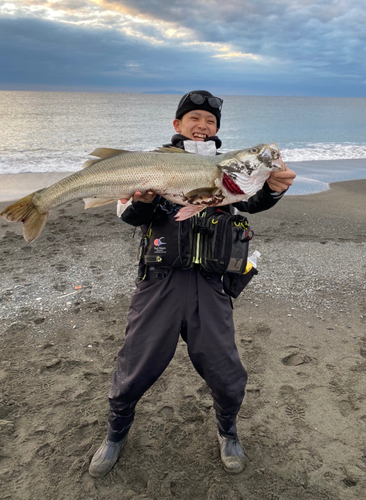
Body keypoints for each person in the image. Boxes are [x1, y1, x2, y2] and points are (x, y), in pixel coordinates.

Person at [89, 90, 296, 477]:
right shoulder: (152, 163)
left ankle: (228, 431)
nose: (202, 127)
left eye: (211, 122)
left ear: (218, 129)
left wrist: (273, 189)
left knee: (225, 370)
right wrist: (145, 200)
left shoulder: (230, 167)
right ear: (177, 125)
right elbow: (130, 216)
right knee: (136, 365)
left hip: (211, 286)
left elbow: (249, 201)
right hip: (159, 284)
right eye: (194, 119)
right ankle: (116, 434)